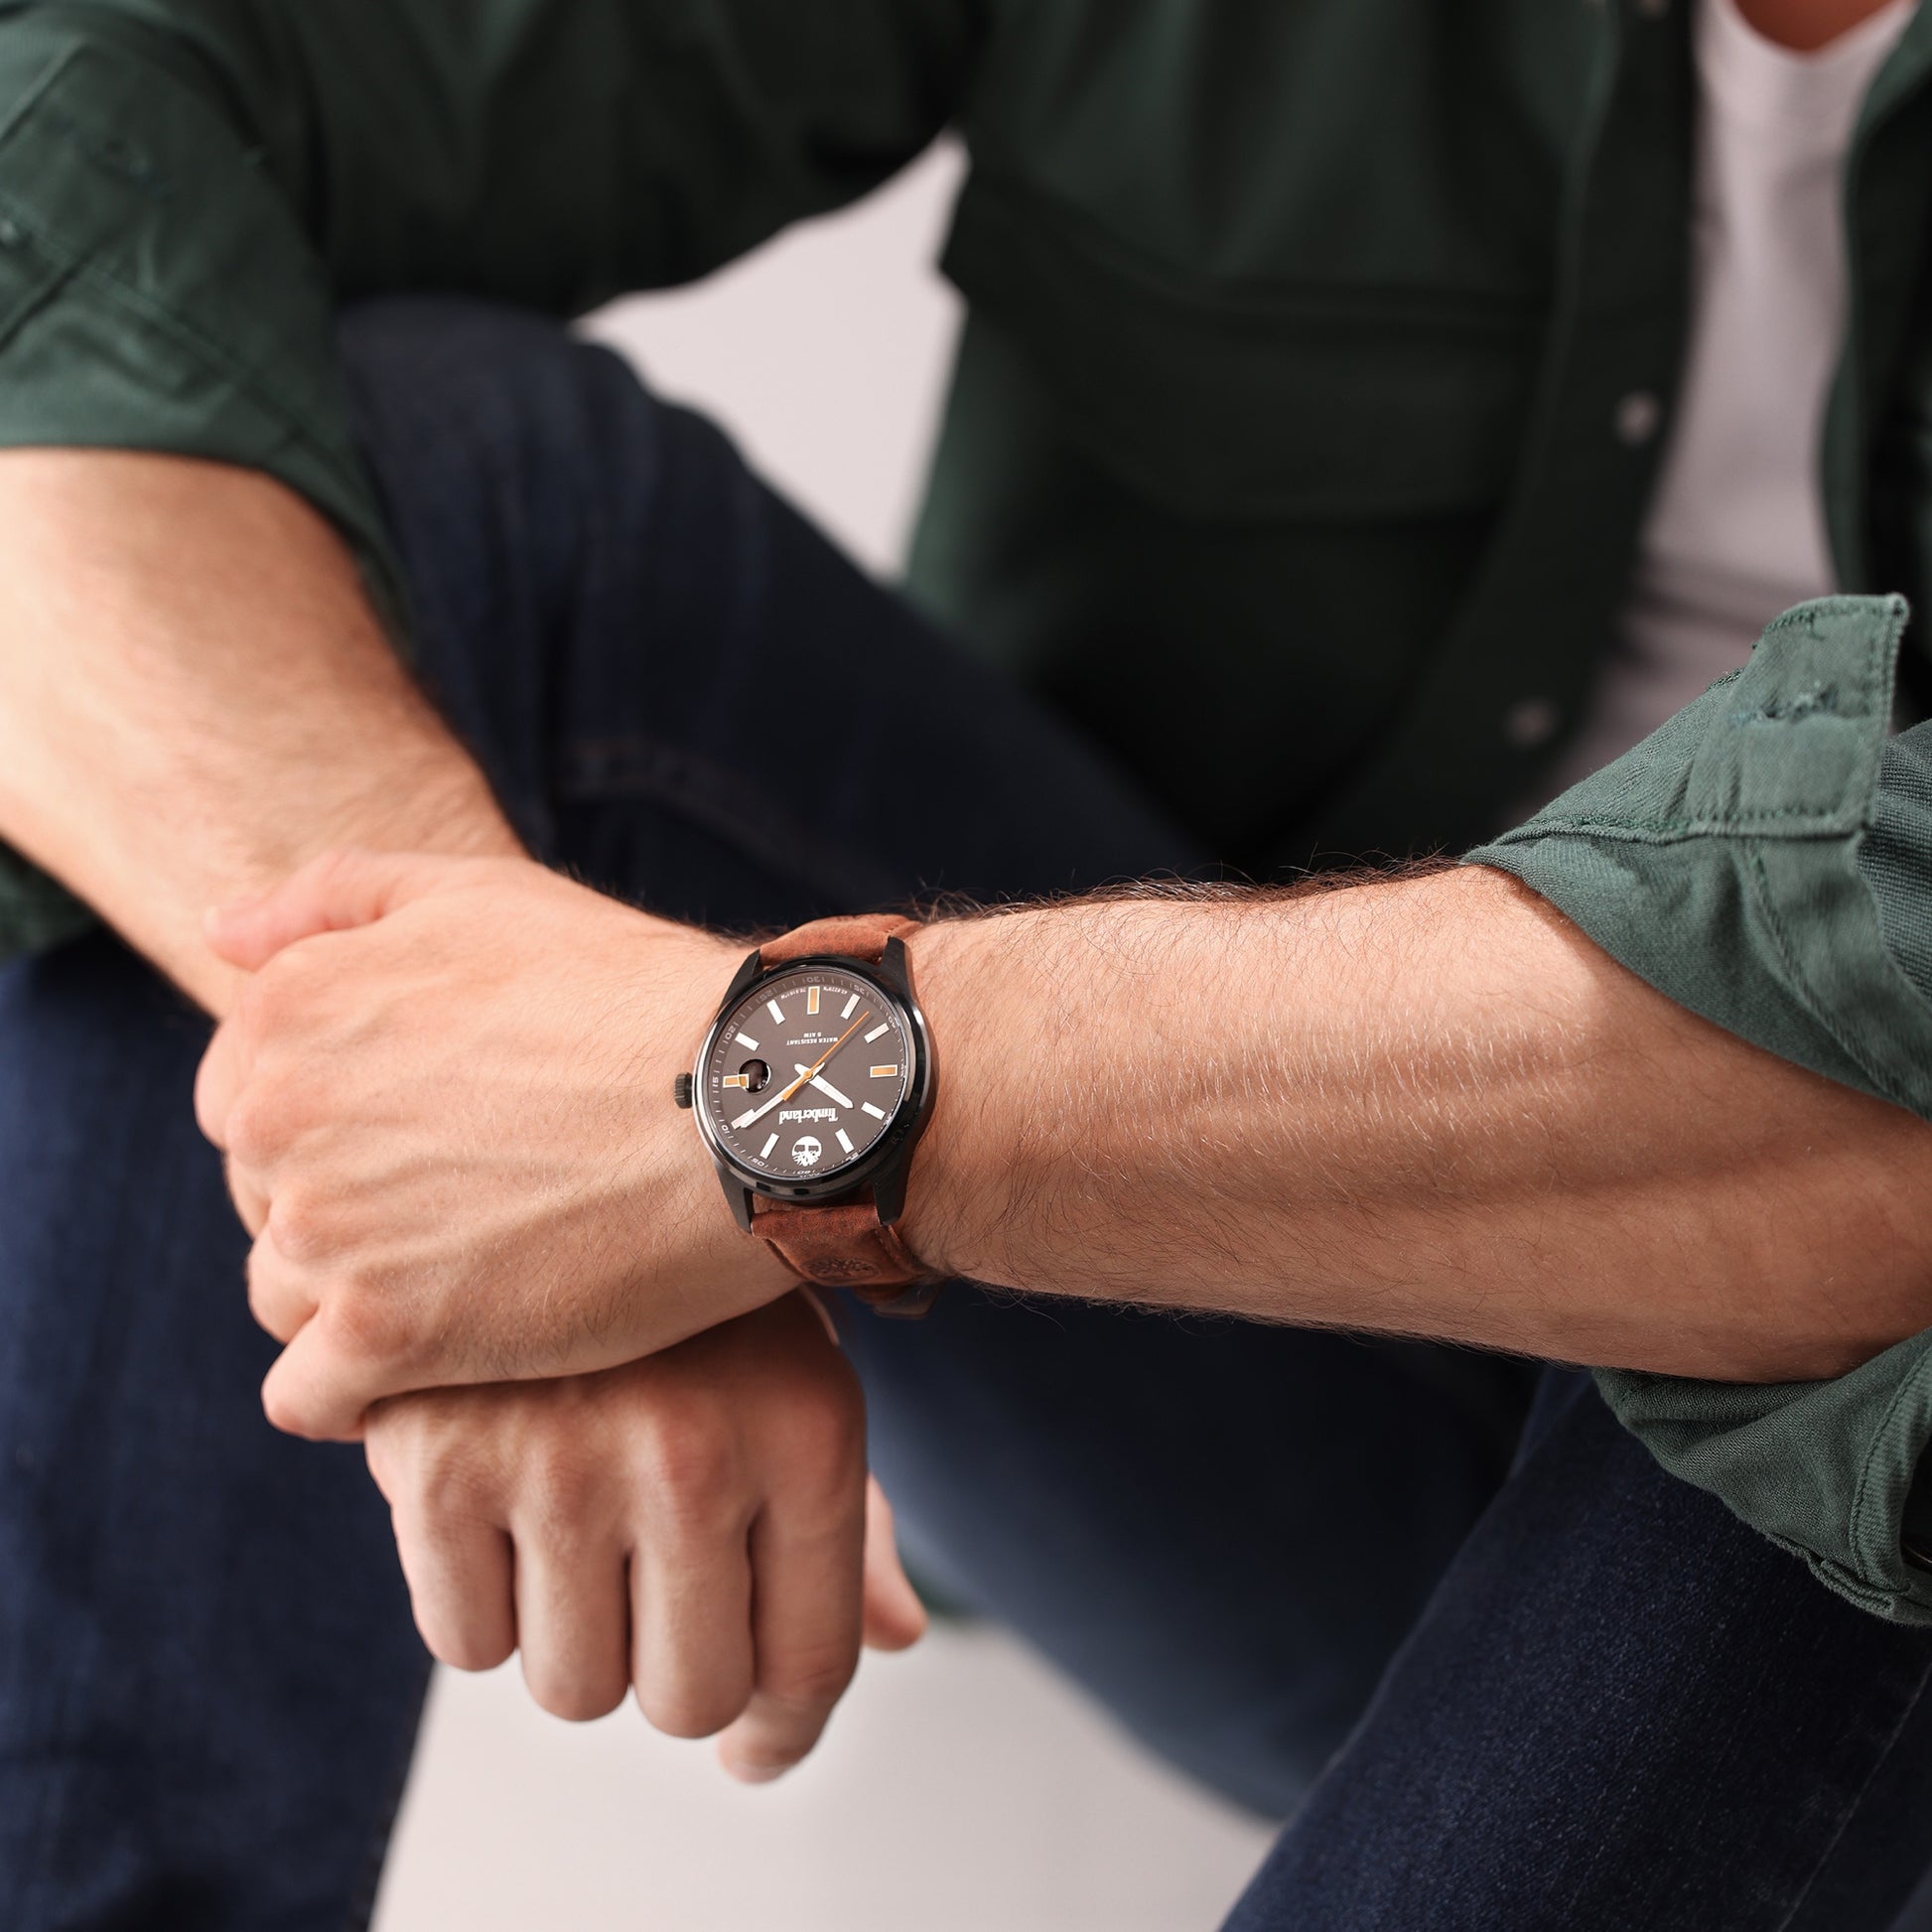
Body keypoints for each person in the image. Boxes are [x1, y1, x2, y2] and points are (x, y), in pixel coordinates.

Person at [3, 1, 1932, 1928]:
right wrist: (464, 1113)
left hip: (1808, 1352)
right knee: (398, 455)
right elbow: (70, 112)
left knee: (1854, 1359)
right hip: (1244, 1363)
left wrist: (738, 1120)